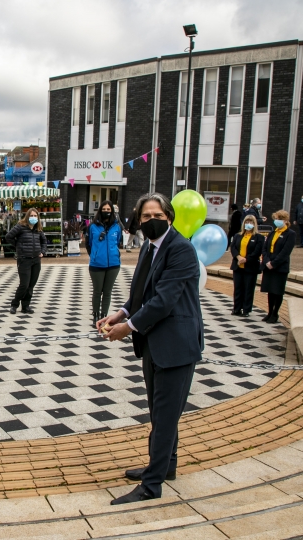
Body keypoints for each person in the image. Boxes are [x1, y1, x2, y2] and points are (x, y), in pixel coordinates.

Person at [97, 192, 203, 505]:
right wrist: (123, 312)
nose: (152, 221)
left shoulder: (181, 249)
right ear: (138, 220)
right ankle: (165, 466)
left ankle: (152, 485)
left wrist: (127, 328)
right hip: (154, 343)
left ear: (169, 217)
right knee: (160, 413)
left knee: (167, 416)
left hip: (176, 345)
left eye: (157, 215)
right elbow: (142, 292)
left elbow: (164, 300)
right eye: (146, 217)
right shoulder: (149, 246)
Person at [84, 201, 122, 326]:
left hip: (113, 264)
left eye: (108, 209)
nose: (106, 211)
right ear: (100, 210)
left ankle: (104, 316)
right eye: (104, 209)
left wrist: (114, 254)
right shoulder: (93, 226)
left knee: (107, 292)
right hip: (96, 265)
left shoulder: (116, 226)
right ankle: (95, 316)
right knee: (97, 291)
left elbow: (117, 242)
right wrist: (94, 255)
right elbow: (88, 243)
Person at [5, 208, 47, 314]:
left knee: (31, 285)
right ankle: (14, 304)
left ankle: (25, 306)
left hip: (36, 260)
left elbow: (44, 241)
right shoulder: (21, 226)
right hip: (24, 260)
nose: (33, 218)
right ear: (27, 216)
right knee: (24, 284)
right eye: (31, 216)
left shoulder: (38, 229)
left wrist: (43, 251)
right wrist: (19, 247)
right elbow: (8, 237)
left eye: (35, 216)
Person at [261, 210, 296, 324]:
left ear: (285, 221)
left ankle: (275, 313)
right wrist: (266, 261)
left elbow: (285, 252)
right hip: (268, 265)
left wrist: (274, 263)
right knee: (270, 291)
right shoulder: (272, 233)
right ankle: (270, 312)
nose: (277, 221)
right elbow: (265, 248)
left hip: (279, 267)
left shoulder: (290, 234)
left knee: (277, 291)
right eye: (276, 218)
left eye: (279, 219)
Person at [229, 215, 264, 317]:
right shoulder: (237, 236)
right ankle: (236, 308)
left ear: (254, 224)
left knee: (248, 288)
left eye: (251, 222)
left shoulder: (259, 237)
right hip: (238, 265)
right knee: (238, 288)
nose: (249, 224)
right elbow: (233, 248)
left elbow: (257, 251)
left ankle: (246, 309)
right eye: (247, 222)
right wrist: (238, 257)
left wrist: (246, 259)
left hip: (250, 266)